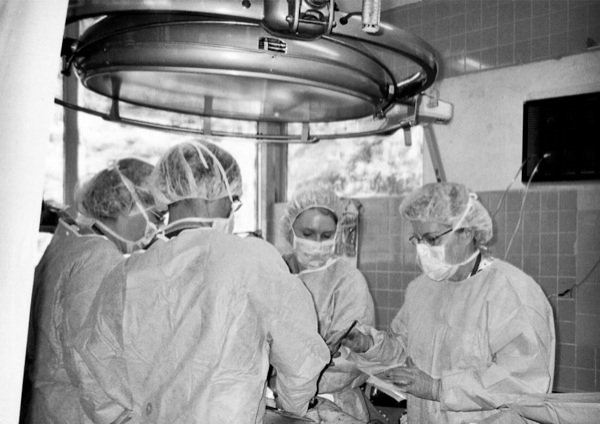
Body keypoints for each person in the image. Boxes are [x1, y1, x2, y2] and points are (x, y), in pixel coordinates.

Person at [76, 141, 330, 424]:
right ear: (212, 194)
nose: (231, 210)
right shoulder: (251, 259)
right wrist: (293, 405)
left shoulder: (128, 272)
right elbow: (302, 359)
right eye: (231, 200)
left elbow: (92, 366)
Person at [341, 182, 556, 424]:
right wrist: (366, 344)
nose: (423, 249)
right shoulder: (422, 290)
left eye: (431, 239)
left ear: (466, 233)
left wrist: (438, 389)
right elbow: (403, 352)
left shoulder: (511, 292)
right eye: (417, 239)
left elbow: (522, 382)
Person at [25, 158, 162, 424]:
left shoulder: (70, 243)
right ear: (126, 206)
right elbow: (92, 363)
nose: (156, 228)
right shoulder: (98, 257)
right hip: (75, 414)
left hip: (49, 408)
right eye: (155, 215)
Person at [280, 182, 376, 422]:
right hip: (275, 404)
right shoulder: (275, 272)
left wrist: (292, 379)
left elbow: (351, 362)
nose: (316, 242)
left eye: (326, 236)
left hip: (332, 407)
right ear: (289, 229)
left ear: (337, 233)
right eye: (307, 234)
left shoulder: (347, 281)